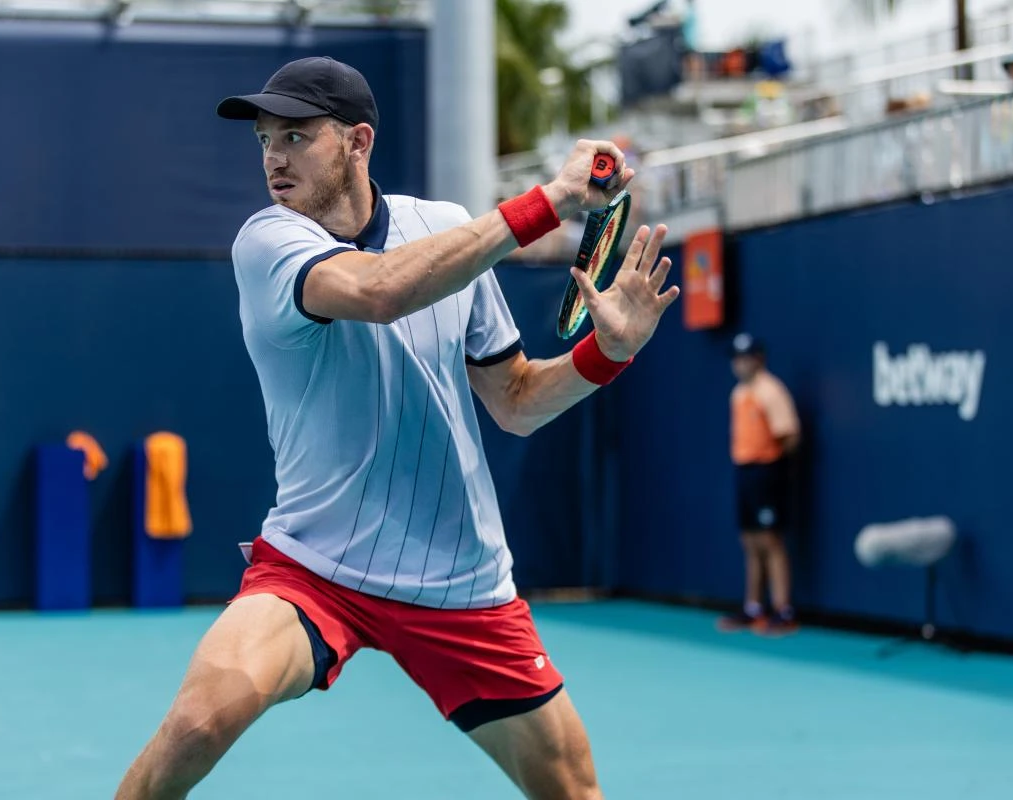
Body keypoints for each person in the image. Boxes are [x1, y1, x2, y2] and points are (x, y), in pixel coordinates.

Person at [115, 56, 680, 799]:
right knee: (195, 724)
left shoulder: (445, 230)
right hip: (316, 568)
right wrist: (547, 202)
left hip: (462, 582)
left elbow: (515, 400)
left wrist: (607, 353)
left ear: (357, 142)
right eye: (263, 141)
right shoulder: (267, 242)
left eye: (294, 137)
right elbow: (377, 290)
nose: (272, 160)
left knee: (572, 789)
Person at [717, 333, 801, 637]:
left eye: (746, 357)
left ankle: (783, 609)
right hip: (745, 471)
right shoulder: (739, 393)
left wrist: (773, 465)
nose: (740, 364)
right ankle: (753, 607)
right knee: (750, 541)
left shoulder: (771, 391)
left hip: (768, 471)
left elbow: (789, 435)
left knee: (770, 540)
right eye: (736, 358)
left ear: (759, 359)